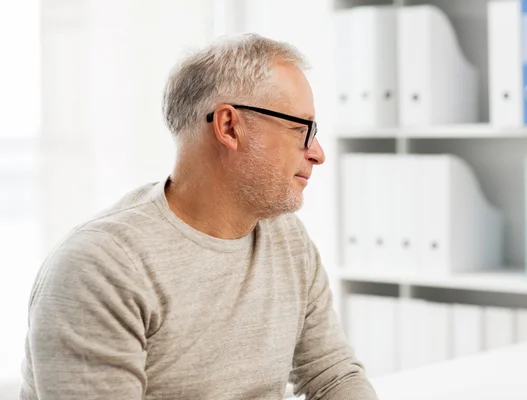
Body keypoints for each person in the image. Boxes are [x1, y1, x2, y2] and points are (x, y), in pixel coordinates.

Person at [20, 33, 378, 400]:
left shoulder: (287, 238)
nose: (317, 153)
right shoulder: (100, 267)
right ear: (228, 127)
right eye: (300, 129)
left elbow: (333, 376)